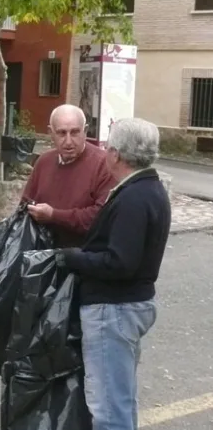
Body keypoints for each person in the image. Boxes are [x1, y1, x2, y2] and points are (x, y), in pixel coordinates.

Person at [56, 118, 170, 430]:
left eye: (108, 146)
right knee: (120, 399)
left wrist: (73, 258)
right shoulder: (146, 189)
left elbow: (120, 263)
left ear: (116, 154)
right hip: (126, 306)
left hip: (114, 309)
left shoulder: (134, 197)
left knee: (108, 407)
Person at [22, 104, 116, 248]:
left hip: (83, 258)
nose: (68, 141)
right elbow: (25, 204)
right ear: (50, 133)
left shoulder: (103, 164)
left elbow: (99, 218)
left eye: (75, 132)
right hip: (42, 254)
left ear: (85, 131)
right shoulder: (44, 161)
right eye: (61, 133)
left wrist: (54, 215)